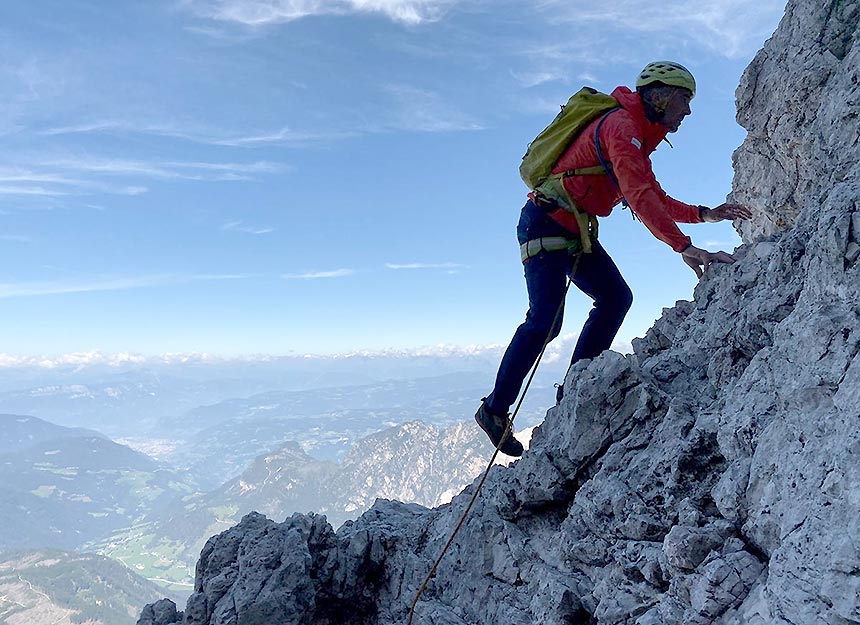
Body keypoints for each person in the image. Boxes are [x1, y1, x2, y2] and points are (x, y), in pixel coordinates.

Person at [475, 61, 753, 457]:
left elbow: (651, 194)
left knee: (615, 298)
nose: (687, 112)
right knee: (546, 320)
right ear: (658, 96)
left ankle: (576, 387)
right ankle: (494, 409)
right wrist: (685, 246)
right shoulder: (622, 129)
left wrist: (705, 214)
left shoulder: (635, 135)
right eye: (683, 100)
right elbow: (640, 197)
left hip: (570, 228)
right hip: (546, 224)